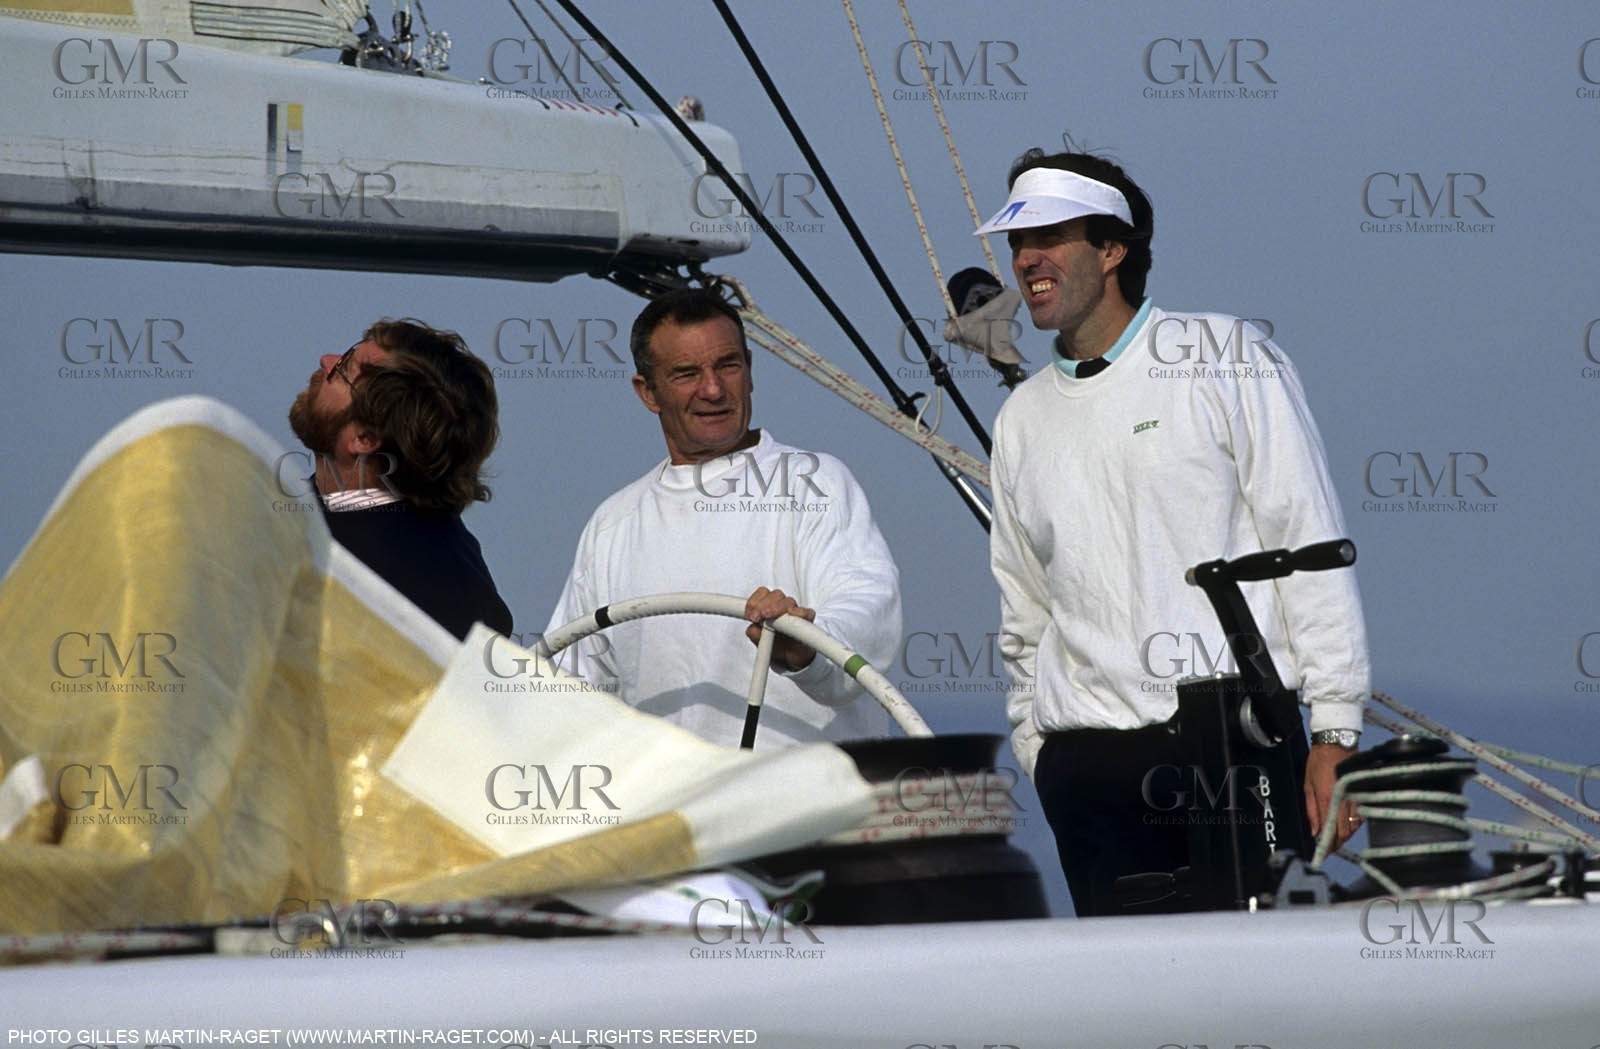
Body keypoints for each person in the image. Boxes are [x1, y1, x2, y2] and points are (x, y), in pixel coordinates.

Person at [977, 149, 1371, 916]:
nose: (1027, 259)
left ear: (1114, 248)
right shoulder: (1020, 419)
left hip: (1234, 746)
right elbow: (1023, 609)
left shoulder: (1230, 358)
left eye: (1051, 236)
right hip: (1087, 771)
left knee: (1261, 1002)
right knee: (1123, 1013)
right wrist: (1041, 751)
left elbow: (1311, 545)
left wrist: (1336, 732)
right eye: (1018, 243)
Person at [545, 287, 900, 748]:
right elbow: (570, 691)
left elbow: (867, 613)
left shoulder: (813, 482)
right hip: (680, 812)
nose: (712, 389)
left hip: (817, 806)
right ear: (647, 392)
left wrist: (806, 650)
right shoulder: (613, 524)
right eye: (687, 373)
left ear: (750, 370)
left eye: (727, 366)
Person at [287, 318, 513, 641]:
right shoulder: (293, 513)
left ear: (364, 438)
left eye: (345, 369)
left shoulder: (435, 599)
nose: (326, 360)